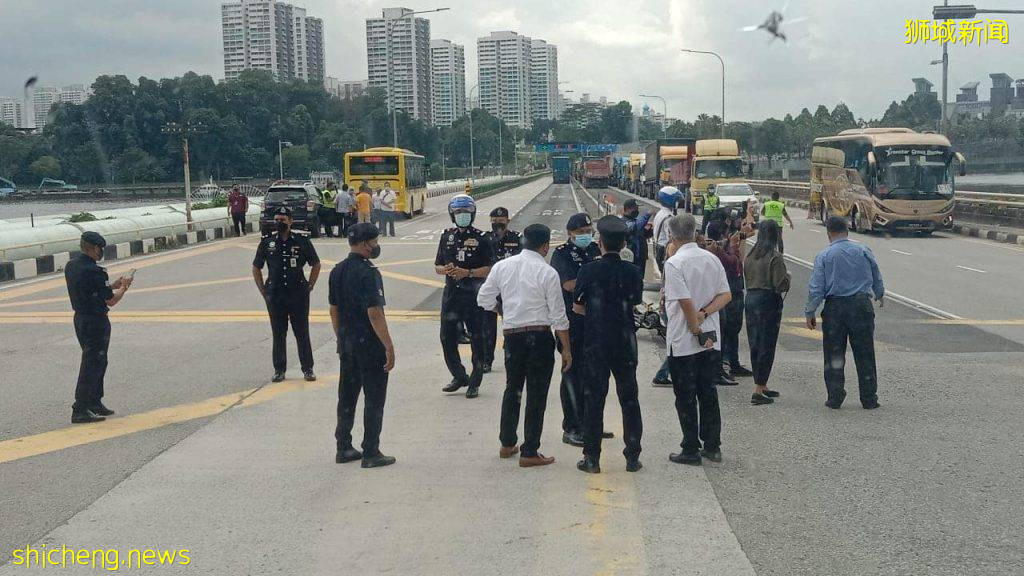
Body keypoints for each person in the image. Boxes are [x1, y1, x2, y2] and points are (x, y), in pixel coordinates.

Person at [477, 223, 570, 468]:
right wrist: (566, 349)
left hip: (513, 336)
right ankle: (530, 450)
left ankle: (507, 443)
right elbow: (559, 316)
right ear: (545, 246)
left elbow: (483, 299)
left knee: (513, 389)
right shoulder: (548, 272)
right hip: (540, 337)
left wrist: (503, 312)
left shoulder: (502, 266)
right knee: (536, 395)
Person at [573, 216, 645, 474]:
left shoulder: (588, 270)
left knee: (594, 399)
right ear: (624, 243)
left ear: (599, 242)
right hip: (625, 341)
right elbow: (634, 300)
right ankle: (632, 457)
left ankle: (592, 458)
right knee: (629, 398)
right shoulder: (633, 272)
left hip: (596, 342)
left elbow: (578, 307)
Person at [663, 213, 732, 466]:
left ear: (671, 235)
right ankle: (713, 445)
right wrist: (705, 314)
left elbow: (684, 301)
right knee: (708, 391)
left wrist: (694, 325)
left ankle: (690, 447)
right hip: (712, 338)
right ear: (694, 232)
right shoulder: (711, 259)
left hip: (684, 339)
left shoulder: (674, 263)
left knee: (685, 395)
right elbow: (726, 295)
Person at [330, 223, 397, 469]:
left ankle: (344, 447)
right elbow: (374, 313)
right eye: (375, 241)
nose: (377, 245)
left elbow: (333, 310)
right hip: (369, 345)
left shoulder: (337, 271)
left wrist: (342, 338)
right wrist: (388, 345)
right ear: (366, 243)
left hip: (347, 344)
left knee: (347, 396)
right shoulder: (369, 273)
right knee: (374, 398)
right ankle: (371, 451)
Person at [805, 216, 884, 410]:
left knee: (833, 353)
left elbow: (817, 288)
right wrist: (879, 293)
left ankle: (835, 396)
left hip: (835, 309)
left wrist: (810, 311)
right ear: (847, 230)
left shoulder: (824, 255)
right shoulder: (863, 250)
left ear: (828, 233)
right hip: (861, 306)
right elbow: (876, 274)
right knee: (865, 353)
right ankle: (869, 398)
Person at [64, 231, 133, 423]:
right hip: (96, 322)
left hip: (80, 319)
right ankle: (81, 408)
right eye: (100, 249)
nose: (101, 252)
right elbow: (110, 301)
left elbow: (92, 290)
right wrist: (124, 287)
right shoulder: (95, 271)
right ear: (94, 248)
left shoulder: (71, 266)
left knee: (97, 361)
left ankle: (94, 402)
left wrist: (112, 285)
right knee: (93, 364)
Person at [252, 206, 321, 383]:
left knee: (302, 332)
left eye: (282, 220)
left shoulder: (301, 240)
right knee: (278, 333)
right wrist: (262, 290)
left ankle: (308, 369)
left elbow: (316, 264)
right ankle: (279, 370)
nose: (279, 223)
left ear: (290, 221)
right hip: (275, 295)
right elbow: (256, 267)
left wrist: (310, 286)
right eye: (277, 220)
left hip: (298, 294)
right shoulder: (267, 242)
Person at [434, 195, 494, 399]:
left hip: (474, 295)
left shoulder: (482, 238)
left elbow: (489, 269)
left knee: (477, 337)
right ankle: (459, 376)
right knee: (446, 337)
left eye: (466, 213)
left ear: (473, 214)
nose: (462, 216)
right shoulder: (446, 236)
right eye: (458, 213)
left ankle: (475, 381)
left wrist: (467, 273)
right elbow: (437, 266)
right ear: (452, 215)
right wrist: (447, 269)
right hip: (451, 295)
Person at [550, 213, 601, 447]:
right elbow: (569, 284)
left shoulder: (595, 250)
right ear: (570, 233)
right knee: (572, 373)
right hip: (571, 324)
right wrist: (598, 286)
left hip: (594, 322)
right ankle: (571, 426)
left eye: (588, 230)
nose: (585, 235)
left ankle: (589, 423)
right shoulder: (561, 254)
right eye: (580, 232)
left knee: (593, 375)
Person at [743, 220, 791, 405]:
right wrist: (788, 278)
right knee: (767, 344)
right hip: (768, 302)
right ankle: (758, 388)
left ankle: (761, 384)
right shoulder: (775, 257)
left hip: (751, 299)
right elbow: (780, 284)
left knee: (755, 342)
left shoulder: (750, 256)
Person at [703, 220, 748, 386]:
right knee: (722, 332)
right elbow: (736, 264)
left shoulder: (720, 248)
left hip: (726, 294)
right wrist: (735, 245)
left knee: (729, 331)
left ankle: (728, 364)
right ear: (723, 234)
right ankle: (718, 369)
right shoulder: (717, 251)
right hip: (723, 296)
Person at [481, 207, 522, 372]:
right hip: (491, 287)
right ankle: (487, 360)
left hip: (511, 288)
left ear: (508, 220)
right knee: (487, 327)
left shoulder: (517, 238)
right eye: (495, 221)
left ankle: (511, 355)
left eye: (501, 220)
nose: (498, 224)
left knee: (511, 323)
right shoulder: (484, 239)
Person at [650, 186, 683, 274]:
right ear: (670, 200)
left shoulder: (660, 213)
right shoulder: (668, 217)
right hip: (665, 250)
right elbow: (671, 237)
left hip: (658, 248)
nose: (678, 203)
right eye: (677, 200)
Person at [621, 198, 651, 276]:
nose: (637, 210)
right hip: (631, 257)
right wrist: (647, 215)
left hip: (640, 257)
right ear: (628, 209)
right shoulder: (624, 222)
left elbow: (642, 234)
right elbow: (634, 227)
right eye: (635, 208)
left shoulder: (634, 220)